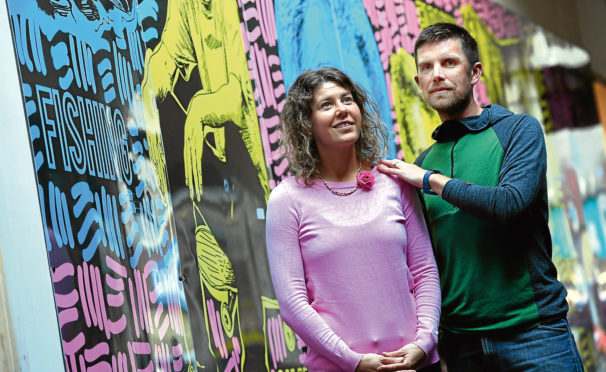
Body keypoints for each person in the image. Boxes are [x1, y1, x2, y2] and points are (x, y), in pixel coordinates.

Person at [377, 23, 584, 371]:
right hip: (462, 346)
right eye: (426, 67)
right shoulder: (424, 163)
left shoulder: (518, 130)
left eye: (449, 63)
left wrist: (430, 181)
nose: (437, 75)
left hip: (535, 337)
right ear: (418, 83)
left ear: (475, 72)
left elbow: (509, 203)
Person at [265, 67, 441, 372]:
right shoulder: (287, 200)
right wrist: (354, 361)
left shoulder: (394, 183)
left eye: (347, 100)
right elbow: (293, 303)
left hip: (414, 363)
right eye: (326, 104)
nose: (342, 110)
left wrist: (423, 343)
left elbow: (425, 271)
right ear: (306, 124)